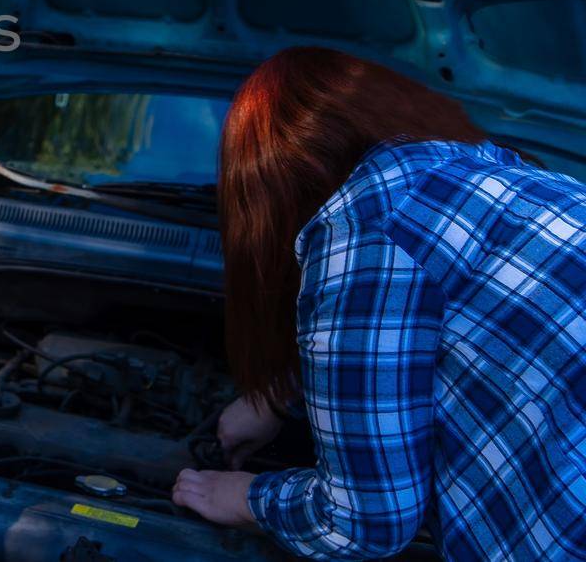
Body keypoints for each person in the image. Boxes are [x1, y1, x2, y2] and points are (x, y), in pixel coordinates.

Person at [171, 46, 586, 560]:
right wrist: (278, 395)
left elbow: (366, 522)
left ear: (272, 187)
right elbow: (434, 315)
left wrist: (244, 497)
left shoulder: (364, 227)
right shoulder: (519, 180)